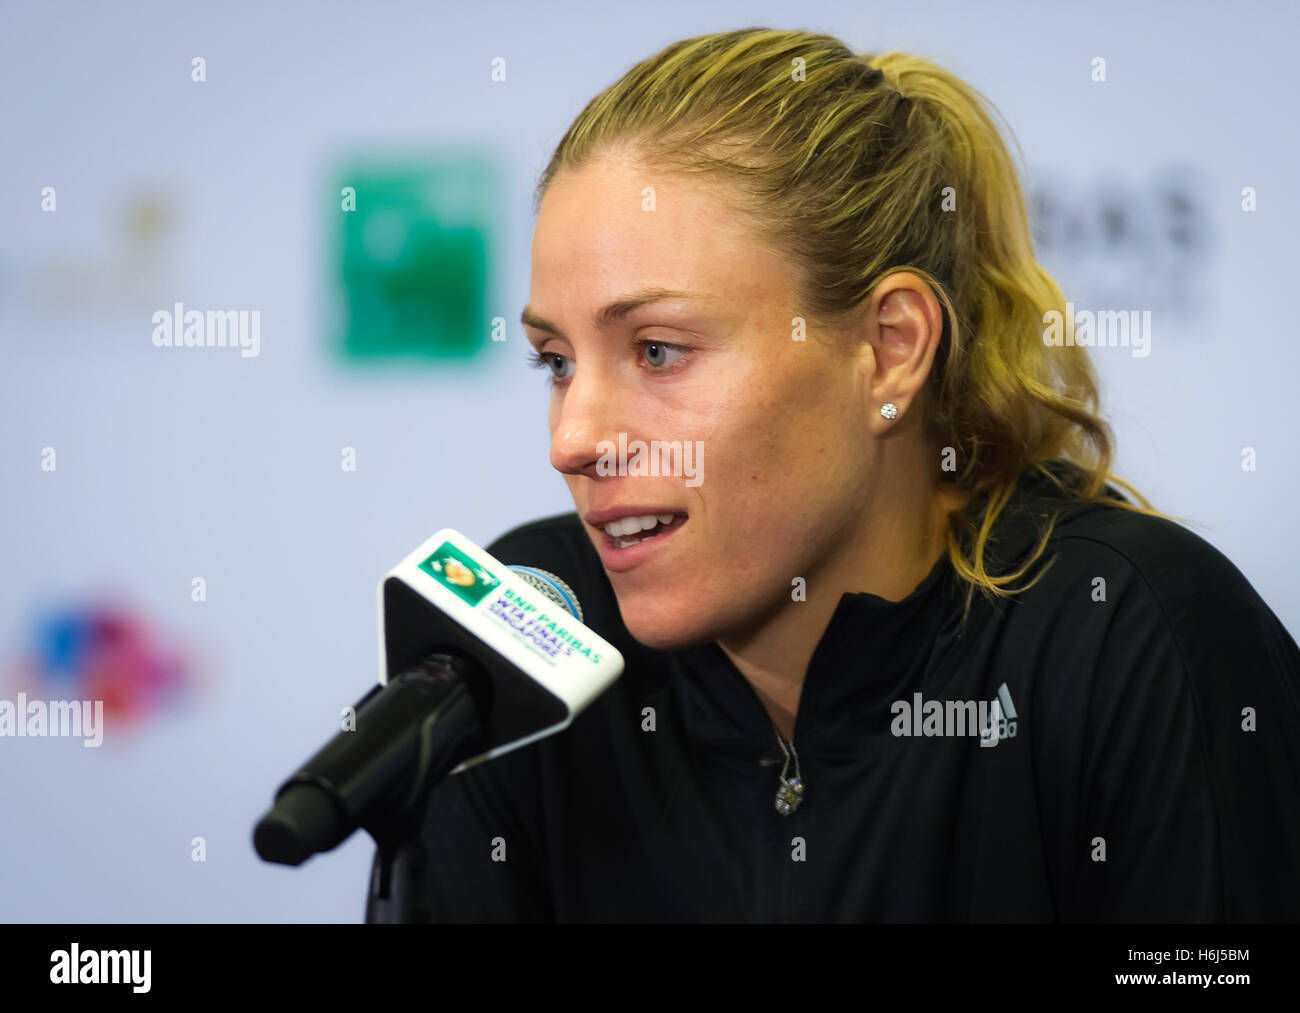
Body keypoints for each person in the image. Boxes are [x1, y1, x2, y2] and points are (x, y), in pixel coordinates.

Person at [365, 27, 1300, 922]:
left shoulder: (1128, 633)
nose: (573, 438)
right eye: (557, 361)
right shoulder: (526, 635)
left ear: (890, 350)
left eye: (656, 350)